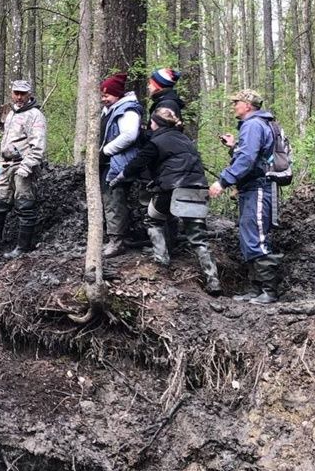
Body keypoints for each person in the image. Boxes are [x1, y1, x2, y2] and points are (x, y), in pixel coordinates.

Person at [114, 107, 220, 294]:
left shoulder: (156, 141)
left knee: (152, 219)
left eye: (152, 122)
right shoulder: (185, 140)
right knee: (198, 238)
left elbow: (138, 163)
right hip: (198, 188)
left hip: (173, 188)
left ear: (157, 123)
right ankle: (213, 280)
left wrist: (119, 177)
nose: (149, 125)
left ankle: (161, 260)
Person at [209, 89, 283, 305]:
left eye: (237, 102)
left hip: (258, 188)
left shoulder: (253, 125)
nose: (234, 106)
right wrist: (234, 147)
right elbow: (251, 155)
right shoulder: (256, 125)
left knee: (256, 236)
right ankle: (256, 289)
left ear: (248, 105)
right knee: (249, 236)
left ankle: (269, 291)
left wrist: (223, 181)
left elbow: (248, 160)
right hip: (252, 188)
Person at [0, 80, 47, 258]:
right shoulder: (11, 113)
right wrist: (0, 164)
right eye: (16, 93)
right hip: (6, 165)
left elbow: (38, 145)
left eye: (23, 93)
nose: (19, 97)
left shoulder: (35, 115)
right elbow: (6, 141)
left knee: (25, 206)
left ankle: (23, 248)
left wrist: (28, 165)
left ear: (29, 94)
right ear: (12, 93)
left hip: (22, 166)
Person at [98, 73, 142, 257]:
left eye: (107, 95)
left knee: (114, 200)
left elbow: (129, 135)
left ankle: (117, 241)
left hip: (118, 162)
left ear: (117, 94)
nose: (103, 99)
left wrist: (106, 151)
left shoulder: (128, 110)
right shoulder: (111, 109)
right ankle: (114, 238)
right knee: (110, 199)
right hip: (109, 162)